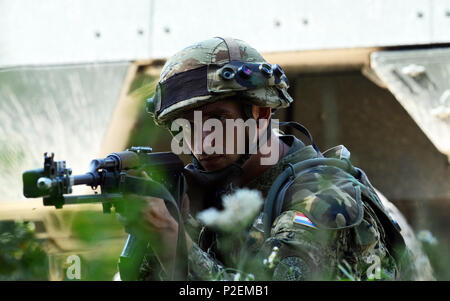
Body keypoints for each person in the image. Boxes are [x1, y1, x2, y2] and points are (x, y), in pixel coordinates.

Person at [131, 37, 417, 281]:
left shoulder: (323, 198)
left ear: (261, 114)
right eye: (186, 127)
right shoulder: (213, 196)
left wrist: (171, 236)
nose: (202, 142)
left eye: (217, 120)